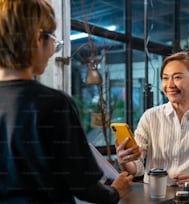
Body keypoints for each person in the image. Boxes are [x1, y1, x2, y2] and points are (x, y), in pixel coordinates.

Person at [0, 0, 132, 203]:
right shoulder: (53, 104)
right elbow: (83, 187)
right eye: (52, 38)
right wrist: (116, 191)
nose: (54, 48)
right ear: (37, 39)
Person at [116, 50, 189, 188]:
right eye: (165, 78)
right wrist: (124, 161)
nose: (170, 85)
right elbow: (137, 167)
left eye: (177, 77)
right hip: (154, 197)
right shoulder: (150, 117)